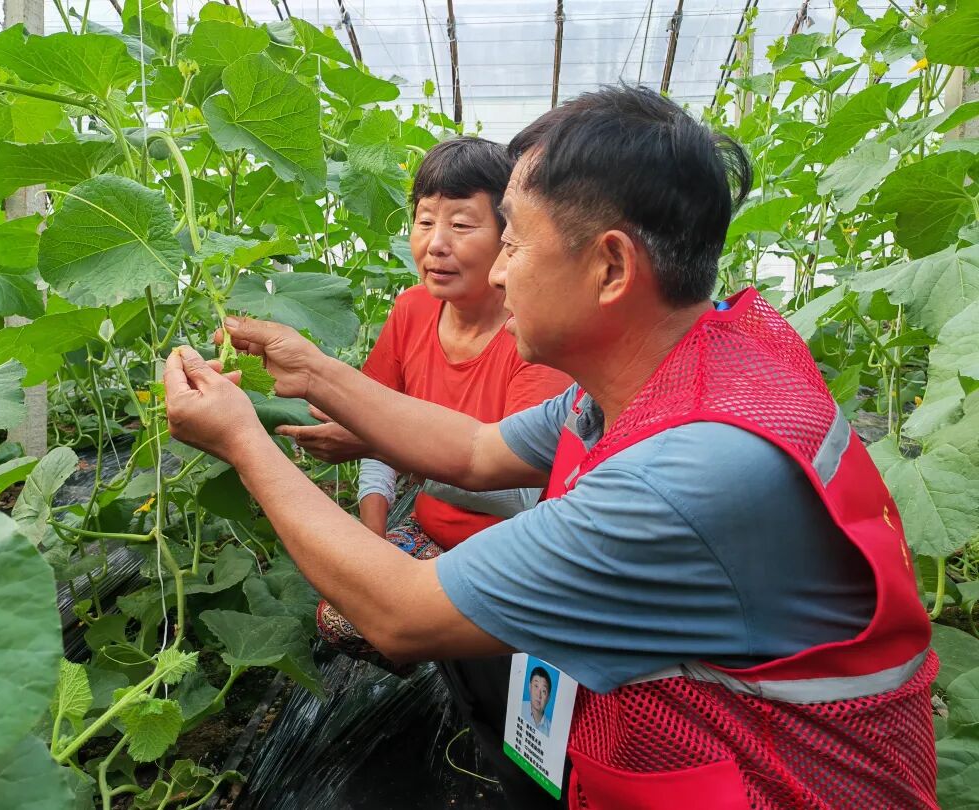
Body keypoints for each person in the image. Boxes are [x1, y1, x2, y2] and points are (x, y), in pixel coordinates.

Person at [165, 85, 937, 809]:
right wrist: (314, 370)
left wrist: (243, 440)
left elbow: (399, 613)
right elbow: (475, 449)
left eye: (514, 244)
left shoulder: (686, 475)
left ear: (610, 267)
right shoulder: (680, 368)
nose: (497, 273)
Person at [273, 136, 571, 807]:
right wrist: (373, 538)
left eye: (462, 224)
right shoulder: (411, 311)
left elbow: (522, 493)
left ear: (509, 237)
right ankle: (464, 687)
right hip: (434, 546)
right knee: (347, 613)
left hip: (516, 558)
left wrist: (375, 445)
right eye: (424, 220)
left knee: (529, 735)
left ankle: (527, 773)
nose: (435, 243)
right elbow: (377, 430)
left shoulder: (532, 334)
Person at [522, 666, 552, 736]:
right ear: (530, 687)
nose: (539, 695)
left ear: (548, 698)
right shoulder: (519, 707)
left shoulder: (550, 730)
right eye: (536, 686)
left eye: (543, 691)